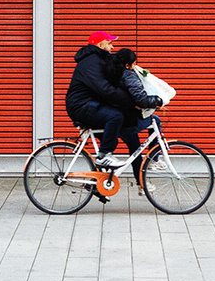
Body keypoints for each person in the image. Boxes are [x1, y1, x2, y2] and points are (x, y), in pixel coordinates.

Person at [64, 30, 141, 170]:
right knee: (116, 117)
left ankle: (97, 184)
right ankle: (104, 156)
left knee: (112, 138)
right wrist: (132, 102)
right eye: (109, 43)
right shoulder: (90, 63)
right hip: (81, 106)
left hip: (90, 104)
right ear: (100, 44)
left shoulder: (99, 59)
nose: (112, 47)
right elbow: (106, 89)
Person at [104, 47, 163, 184]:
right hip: (126, 120)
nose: (136, 66)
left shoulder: (112, 73)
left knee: (136, 149)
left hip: (115, 117)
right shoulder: (128, 75)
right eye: (134, 63)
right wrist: (157, 101)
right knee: (156, 120)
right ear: (127, 65)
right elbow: (140, 99)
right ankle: (154, 159)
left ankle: (141, 183)